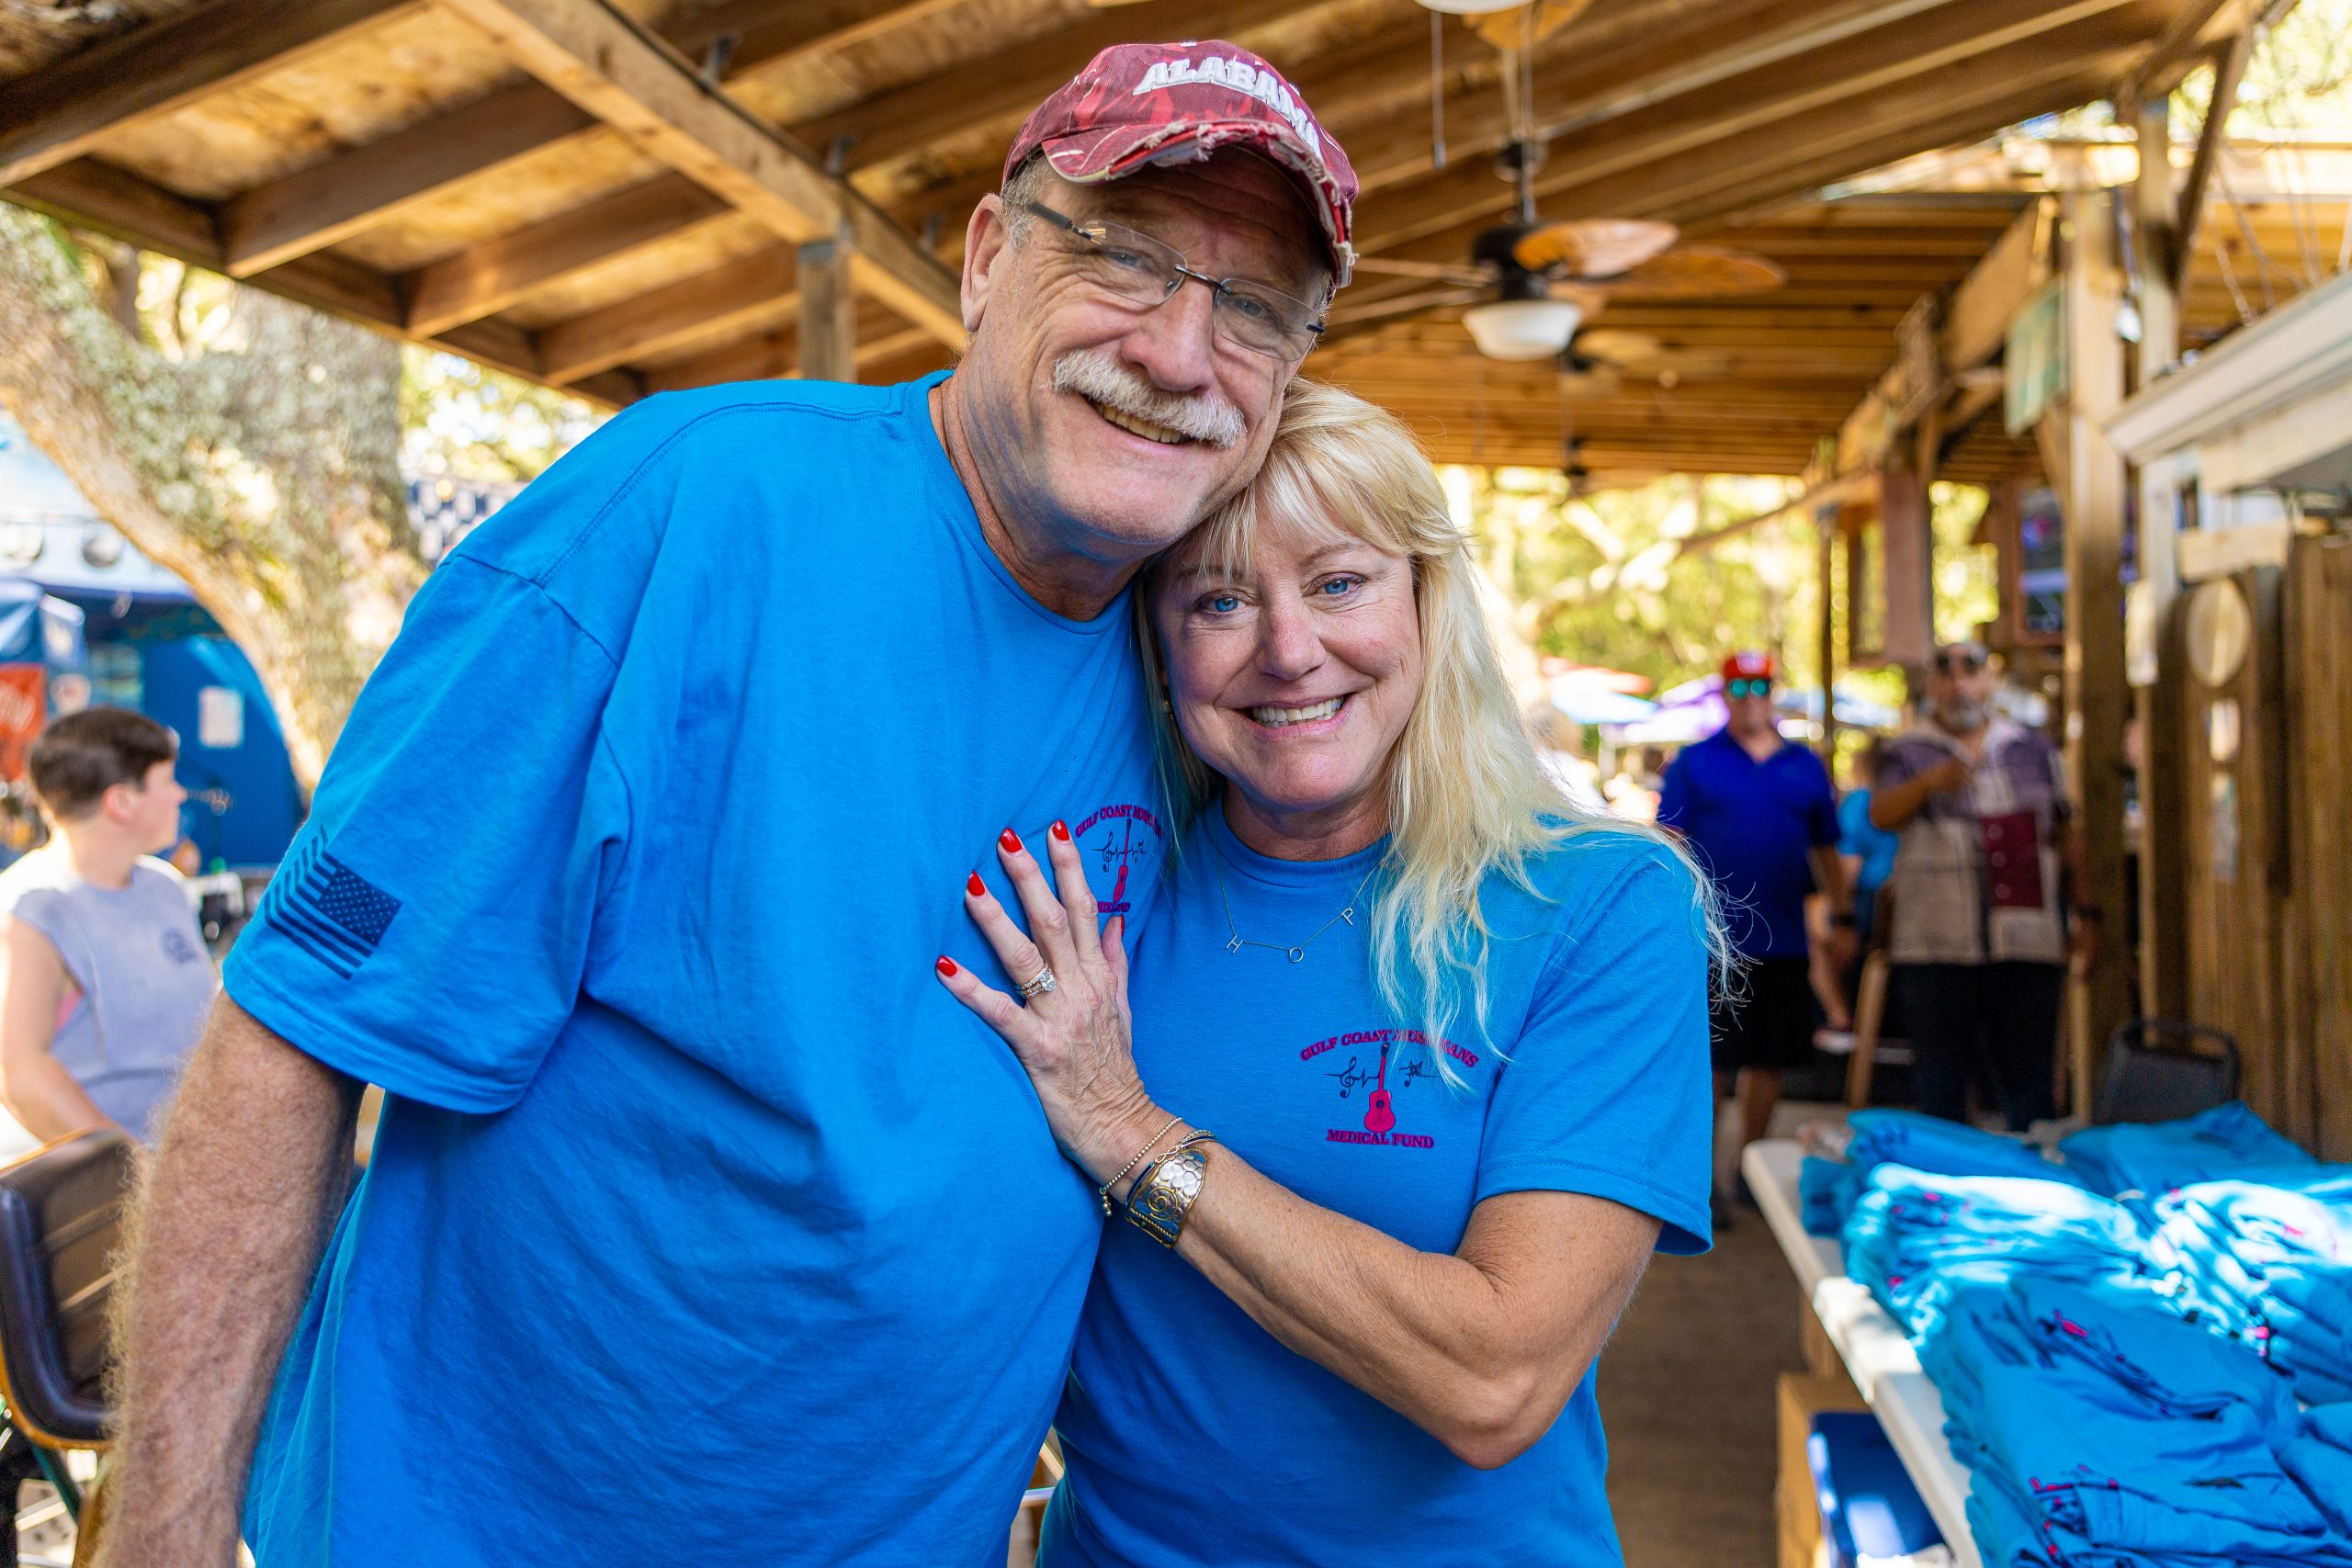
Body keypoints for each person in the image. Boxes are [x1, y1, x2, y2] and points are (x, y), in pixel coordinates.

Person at [96, 43, 1357, 1568]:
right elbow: (299, 1024)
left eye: (1255, 307)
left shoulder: (1203, 660)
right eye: (1126, 256)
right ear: (986, 259)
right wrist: (159, 1531)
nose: (1180, 348)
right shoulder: (691, 507)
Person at [936, 383, 1718, 1566]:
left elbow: (1495, 1379)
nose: (1290, 651)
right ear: (1156, 649)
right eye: (1220, 600)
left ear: (1427, 603)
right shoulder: (1098, 896)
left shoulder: (1599, 904)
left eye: (1340, 583)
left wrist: (1131, 1137)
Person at [1871, 640, 2092, 1130]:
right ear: (1931, 686)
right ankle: (1942, 1176)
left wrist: (2086, 915)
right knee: (1940, 1088)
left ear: (1990, 681)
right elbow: (1879, 814)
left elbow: (2066, 833)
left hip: (2026, 942)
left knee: (2030, 1089)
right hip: (1934, 945)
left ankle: (2031, 1170)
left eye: (1970, 672)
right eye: (1945, 674)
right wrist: (1927, 783)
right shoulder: (1904, 751)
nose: (1959, 685)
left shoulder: (2032, 750)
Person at [1657, 651, 1853, 1201]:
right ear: (1724, 694)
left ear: (1774, 691)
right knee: (1710, 1062)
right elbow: (1669, 842)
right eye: (1739, 688)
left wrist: (1843, 915)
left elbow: (1827, 848)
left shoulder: (1804, 765)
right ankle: (1699, 1181)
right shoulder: (1696, 762)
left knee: (1770, 1061)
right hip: (1710, 941)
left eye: (1760, 686)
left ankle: (1751, 1171)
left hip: (1785, 941)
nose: (1750, 699)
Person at [0, 708, 214, 1144]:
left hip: (190, 1157)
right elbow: (19, 1074)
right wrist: (134, 1169)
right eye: (167, 780)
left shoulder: (165, 887)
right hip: (93, 1180)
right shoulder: (30, 908)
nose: (180, 795)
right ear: (120, 802)